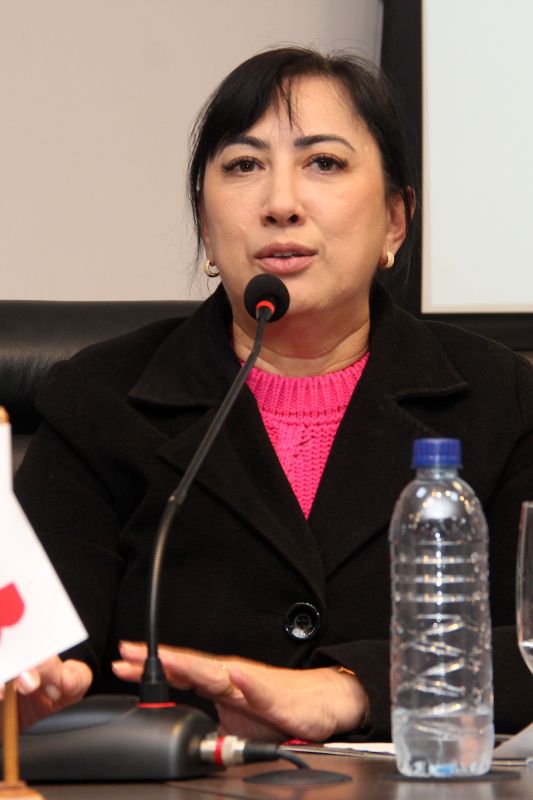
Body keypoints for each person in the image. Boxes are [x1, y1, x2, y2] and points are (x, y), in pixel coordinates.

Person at [7, 47, 533, 742]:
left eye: (325, 163)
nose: (281, 204)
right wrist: (34, 688)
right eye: (243, 166)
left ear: (395, 221)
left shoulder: (502, 398)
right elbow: (46, 645)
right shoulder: (99, 400)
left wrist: (349, 689)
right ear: (205, 226)